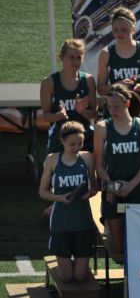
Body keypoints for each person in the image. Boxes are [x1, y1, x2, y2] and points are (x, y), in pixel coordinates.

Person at [93, 84, 140, 256]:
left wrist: (131, 185)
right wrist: (111, 186)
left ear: (127, 103)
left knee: (137, 244)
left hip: (136, 190)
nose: (112, 110)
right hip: (113, 191)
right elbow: (99, 164)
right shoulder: (102, 127)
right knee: (118, 249)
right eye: (109, 106)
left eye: (116, 106)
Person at [39, 121, 97, 282]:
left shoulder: (86, 157)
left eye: (80, 143)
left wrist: (91, 193)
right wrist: (60, 198)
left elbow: (94, 185)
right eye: (72, 144)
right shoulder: (52, 160)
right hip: (61, 221)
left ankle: (76, 263)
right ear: (62, 141)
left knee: (79, 277)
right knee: (67, 277)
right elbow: (42, 191)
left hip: (83, 220)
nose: (76, 147)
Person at [97, 7, 140, 121]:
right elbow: (101, 89)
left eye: (124, 30)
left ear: (133, 29)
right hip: (114, 113)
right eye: (115, 30)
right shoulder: (106, 53)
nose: (119, 33)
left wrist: (137, 87)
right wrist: (119, 86)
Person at [41, 38, 96, 153]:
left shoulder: (88, 80)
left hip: (84, 139)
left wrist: (82, 112)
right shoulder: (48, 83)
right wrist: (59, 115)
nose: (75, 61)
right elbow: (46, 116)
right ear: (62, 57)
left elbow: (94, 114)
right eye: (71, 57)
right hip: (60, 138)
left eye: (78, 58)